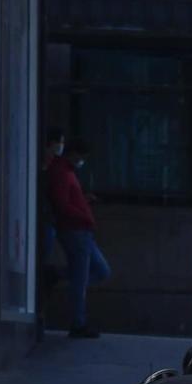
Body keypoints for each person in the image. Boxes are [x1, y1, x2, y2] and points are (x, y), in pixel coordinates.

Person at [45, 136, 107, 338]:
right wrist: (83, 215)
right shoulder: (61, 172)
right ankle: (78, 323)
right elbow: (62, 205)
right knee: (81, 278)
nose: (82, 161)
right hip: (75, 229)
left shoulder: (68, 172)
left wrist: (83, 202)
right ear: (73, 154)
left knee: (100, 270)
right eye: (82, 156)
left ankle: (59, 275)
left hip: (82, 230)